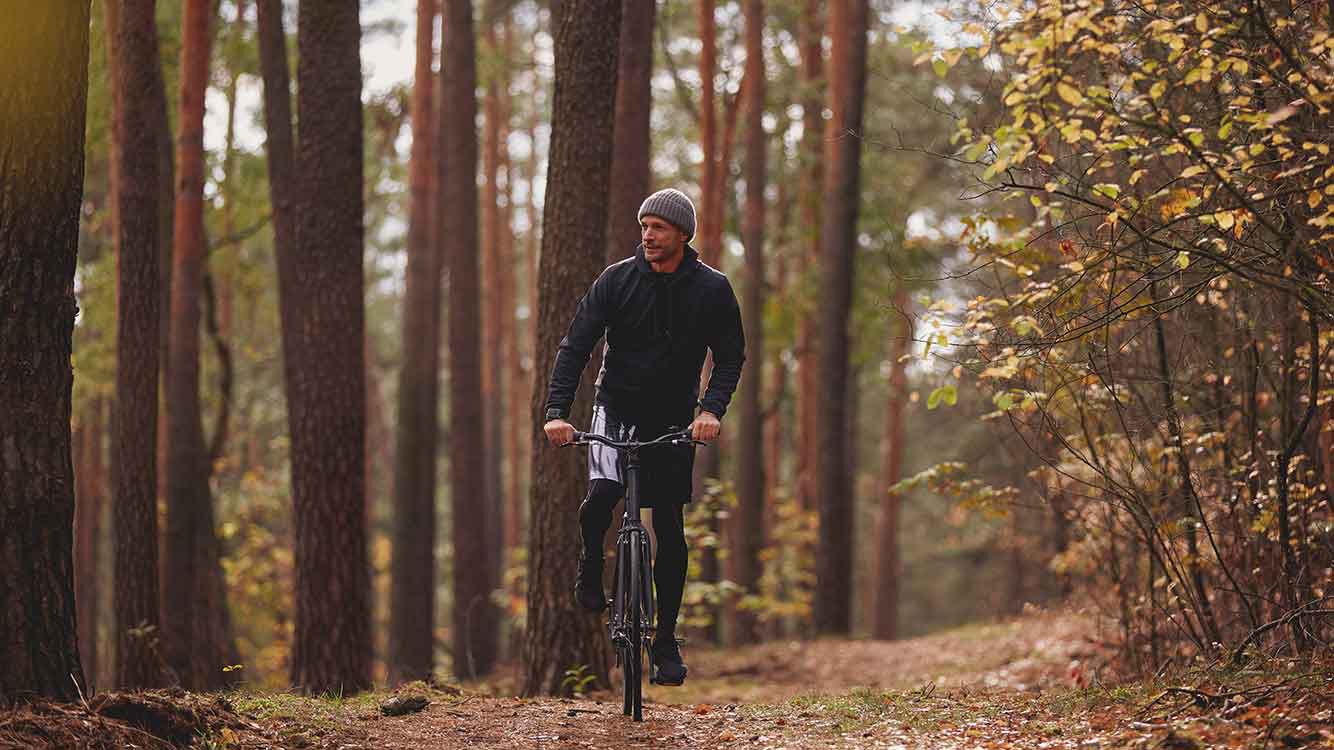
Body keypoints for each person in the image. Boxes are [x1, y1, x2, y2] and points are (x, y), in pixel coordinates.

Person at [542, 188, 745, 686]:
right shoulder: (616, 280)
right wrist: (556, 412)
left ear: (681, 234)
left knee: (669, 528)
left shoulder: (712, 289)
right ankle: (591, 564)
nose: (647, 236)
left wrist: (710, 410)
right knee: (602, 497)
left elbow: (731, 356)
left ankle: (665, 641)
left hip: (675, 420)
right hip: (616, 408)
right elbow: (575, 346)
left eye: (657, 227)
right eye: (644, 226)